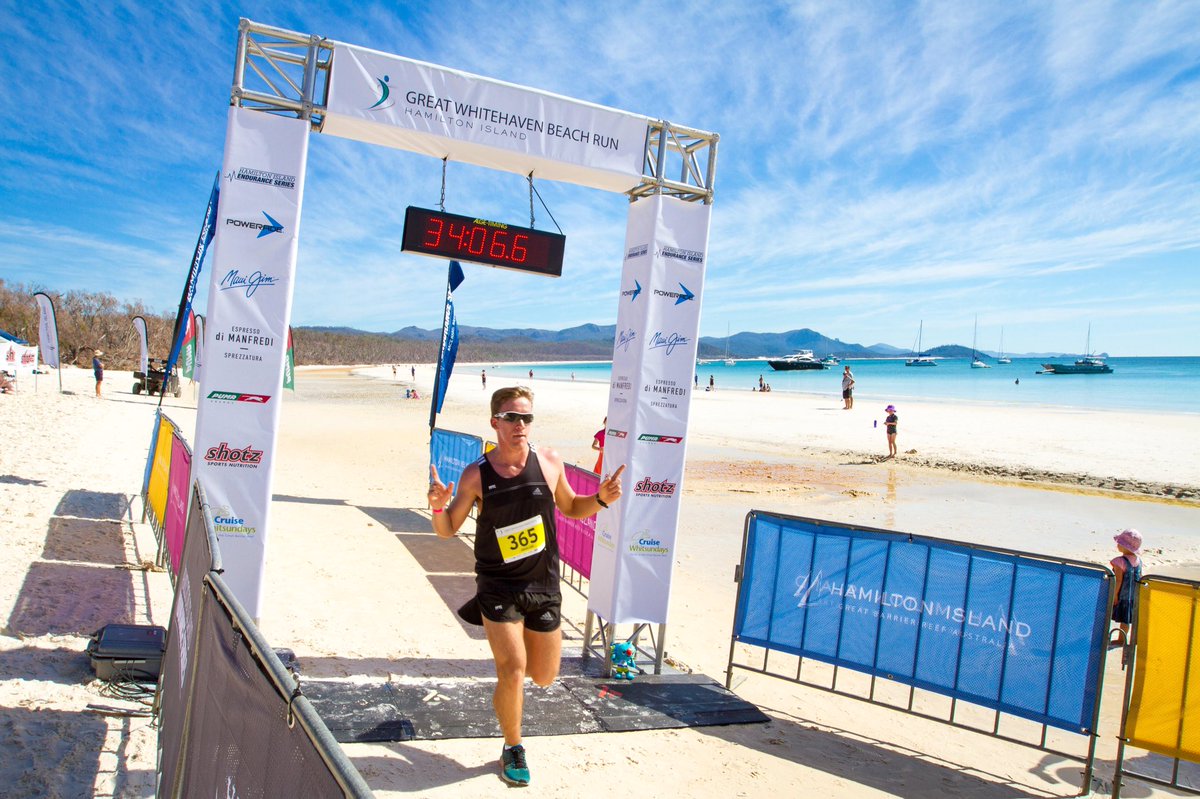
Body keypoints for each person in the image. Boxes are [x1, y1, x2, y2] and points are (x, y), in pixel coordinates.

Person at [427, 386, 625, 786]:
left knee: (544, 675)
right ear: (494, 422)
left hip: (544, 584)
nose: (520, 425)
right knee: (513, 669)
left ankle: (506, 700)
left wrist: (600, 499)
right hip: (497, 585)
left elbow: (570, 506)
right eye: (512, 417)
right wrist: (436, 507)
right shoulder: (476, 475)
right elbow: (448, 530)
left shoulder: (550, 462)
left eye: (526, 417)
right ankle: (513, 745)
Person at [1110, 529, 1144, 647]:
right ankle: (1123, 639)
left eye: (1119, 543)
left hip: (1121, 595)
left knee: (1108, 614)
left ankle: (1112, 638)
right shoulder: (1139, 561)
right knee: (1126, 619)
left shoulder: (1119, 561)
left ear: (1124, 547)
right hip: (1133, 596)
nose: (1117, 545)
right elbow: (1139, 577)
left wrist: (1114, 595)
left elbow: (1118, 580)